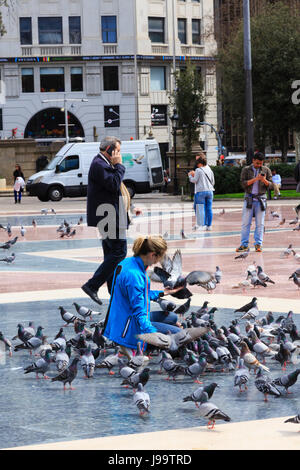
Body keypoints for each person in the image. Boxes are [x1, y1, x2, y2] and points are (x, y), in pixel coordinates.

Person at [81, 136, 140, 306]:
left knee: (111, 254)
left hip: (110, 216)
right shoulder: (99, 164)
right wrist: (120, 165)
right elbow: (114, 184)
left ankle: (113, 290)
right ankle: (92, 285)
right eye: (118, 151)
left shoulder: (105, 165)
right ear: (109, 150)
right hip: (108, 217)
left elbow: (117, 189)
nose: (120, 155)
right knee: (119, 252)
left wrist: (131, 206)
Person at [103, 235, 182, 354]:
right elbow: (139, 313)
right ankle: (128, 346)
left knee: (173, 317)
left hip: (119, 319)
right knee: (179, 336)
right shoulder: (135, 276)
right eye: (160, 257)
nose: (159, 262)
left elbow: (138, 295)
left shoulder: (128, 262)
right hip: (129, 328)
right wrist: (155, 334)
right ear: (152, 255)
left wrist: (164, 293)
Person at [236, 152, 273, 253]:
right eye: (257, 163)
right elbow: (243, 184)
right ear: (253, 160)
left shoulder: (266, 170)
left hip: (261, 199)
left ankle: (258, 244)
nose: (259, 165)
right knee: (245, 223)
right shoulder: (246, 170)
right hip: (249, 198)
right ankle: (244, 244)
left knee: (260, 224)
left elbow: (271, 186)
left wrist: (264, 180)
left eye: (261, 163)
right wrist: (256, 179)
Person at [188, 153, 215, 231]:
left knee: (200, 208)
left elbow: (194, 180)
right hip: (210, 191)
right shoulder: (209, 169)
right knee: (209, 208)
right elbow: (213, 181)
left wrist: (190, 175)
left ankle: (201, 225)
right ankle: (209, 225)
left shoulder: (198, 170)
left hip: (200, 191)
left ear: (200, 163)